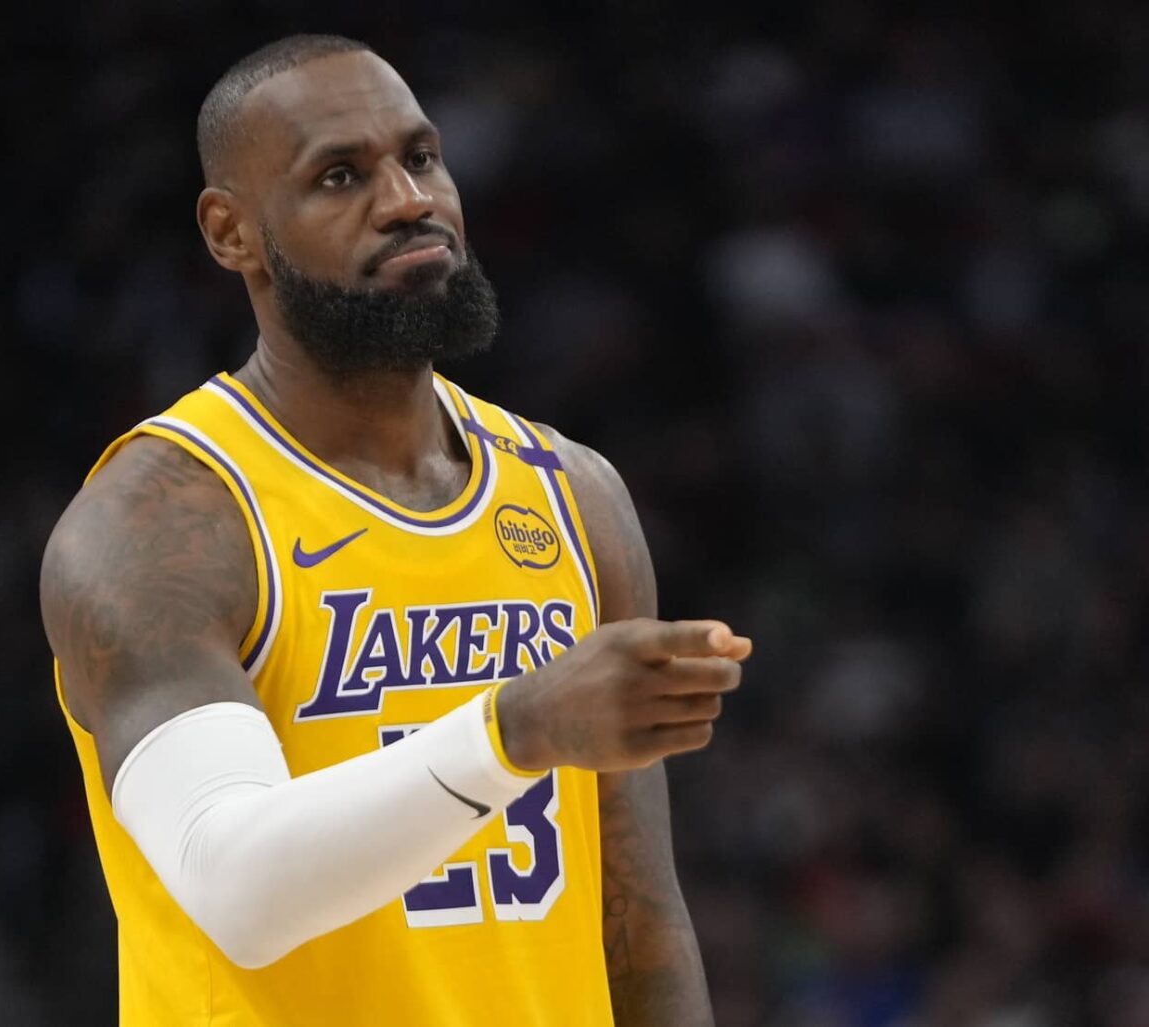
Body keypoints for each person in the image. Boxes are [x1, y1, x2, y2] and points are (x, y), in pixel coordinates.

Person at [40, 34, 751, 1026]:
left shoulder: (573, 494)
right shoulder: (161, 521)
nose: (409, 199)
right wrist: (516, 729)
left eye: (420, 158)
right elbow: (236, 887)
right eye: (341, 176)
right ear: (231, 232)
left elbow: (639, 921)